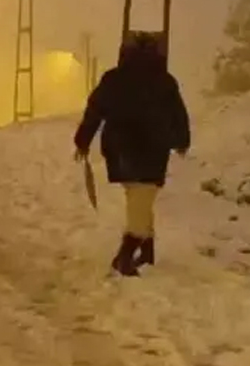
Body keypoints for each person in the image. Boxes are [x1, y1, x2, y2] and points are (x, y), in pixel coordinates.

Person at [72, 31, 191, 276]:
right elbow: (178, 114)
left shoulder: (113, 79)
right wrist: (182, 141)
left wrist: (83, 140)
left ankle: (145, 253)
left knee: (137, 197)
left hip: (120, 149)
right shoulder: (165, 81)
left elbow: (94, 111)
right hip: (153, 150)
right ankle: (126, 256)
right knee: (143, 196)